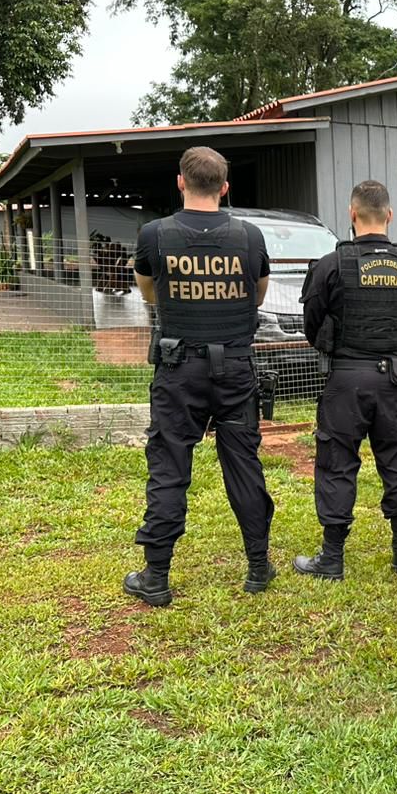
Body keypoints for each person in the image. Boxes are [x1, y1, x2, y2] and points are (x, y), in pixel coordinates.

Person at [123, 146, 276, 606]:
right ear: (225, 188)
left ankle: (156, 576)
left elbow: (150, 295)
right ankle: (257, 566)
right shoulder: (250, 237)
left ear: (181, 182)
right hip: (234, 366)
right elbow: (258, 297)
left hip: (178, 368)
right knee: (244, 465)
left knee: (169, 466)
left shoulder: (154, 235)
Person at [293, 180, 397, 581]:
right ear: (389, 216)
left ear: (352, 215)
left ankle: (332, 559)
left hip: (345, 380)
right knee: (396, 463)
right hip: (395, 379)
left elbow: (311, 324)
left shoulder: (332, 265)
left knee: (336, 464)